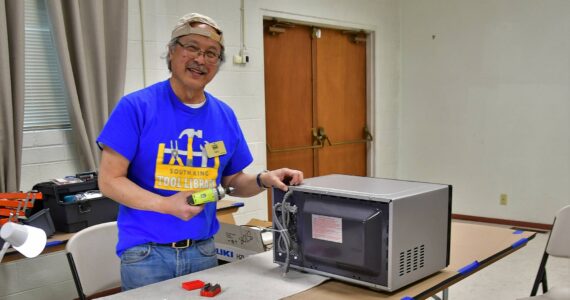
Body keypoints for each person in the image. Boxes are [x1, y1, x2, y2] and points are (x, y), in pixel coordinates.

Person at [96, 13, 303, 290]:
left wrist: (263, 179)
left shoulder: (224, 115)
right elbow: (109, 181)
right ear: (171, 52)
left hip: (204, 250)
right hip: (146, 254)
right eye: (191, 47)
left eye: (211, 53)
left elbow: (231, 182)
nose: (200, 59)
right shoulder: (136, 107)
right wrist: (166, 205)